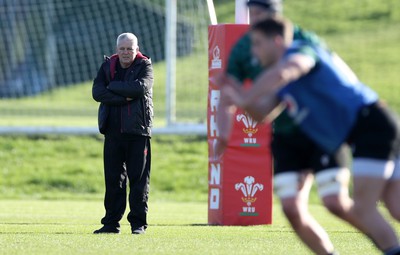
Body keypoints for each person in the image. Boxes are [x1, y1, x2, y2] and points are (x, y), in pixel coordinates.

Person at [219, 17, 400, 255]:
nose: (253, 52)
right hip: (373, 126)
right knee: (395, 207)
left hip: (371, 124)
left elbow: (287, 71)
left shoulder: (299, 53)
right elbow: (262, 113)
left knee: (364, 209)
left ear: (276, 41)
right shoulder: (283, 84)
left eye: (257, 44)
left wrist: (245, 97)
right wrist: (237, 95)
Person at [92, 33, 153, 235]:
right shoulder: (107, 66)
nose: (126, 53)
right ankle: (110, 224)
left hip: (138, 132)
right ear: (117, 49)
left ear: (137, 49)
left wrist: (113, 87)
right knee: (113, 180)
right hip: (113, 132)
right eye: (122, 49)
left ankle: (138, 224)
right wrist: (123, 97)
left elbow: (140, 88)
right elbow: (97, 93)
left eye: (129, 49)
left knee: (139, 181)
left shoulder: (145, 66)